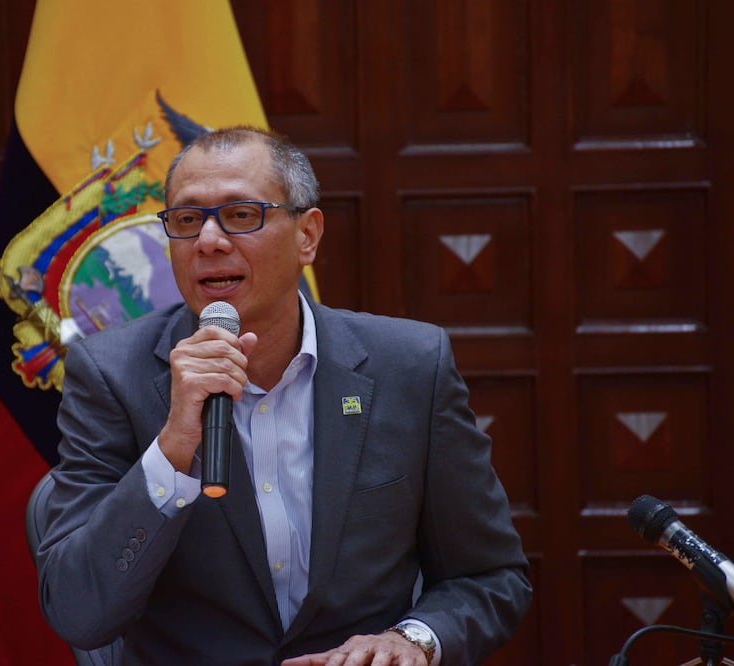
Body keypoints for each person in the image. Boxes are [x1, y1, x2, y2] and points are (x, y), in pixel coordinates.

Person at [35, 126, 531, 665]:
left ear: (307, 236)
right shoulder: (111, 375)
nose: (208, 240)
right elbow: (79, 613)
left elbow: (489, 577)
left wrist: (411, 640)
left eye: (241, 215)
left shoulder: (409, 367)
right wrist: (175, 447)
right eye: (186, 219)